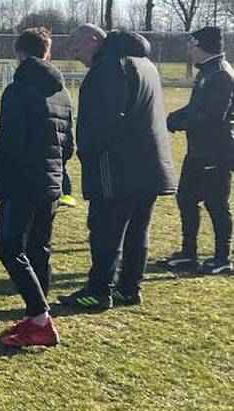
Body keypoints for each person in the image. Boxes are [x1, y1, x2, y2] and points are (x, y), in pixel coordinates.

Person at [60, 25, 177, 310]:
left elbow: (105, 120)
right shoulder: (144, 63)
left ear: (93, 40)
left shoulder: (110, 67)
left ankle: (99, 290)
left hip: (118, 165)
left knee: (106, 229)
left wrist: (87, 149)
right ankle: (129, 287)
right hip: (149, 165)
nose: (77, 57)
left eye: (77, 50)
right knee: (138, 228)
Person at [0, 27, 74, 348]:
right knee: (39, 248)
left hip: (22, 184)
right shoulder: (63, 93)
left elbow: (9, 142)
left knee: (10, 247)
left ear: (19, 54)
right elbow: (69, 147)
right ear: (48, 53)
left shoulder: (18, 90)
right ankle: (36, 315)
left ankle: (40, 318)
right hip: (51, 182)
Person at [165, 26, 234, 275]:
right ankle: (188, 253)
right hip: (198, 151)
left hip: (217, 152)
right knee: (186, 198)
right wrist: (174, 117)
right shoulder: (206, 72)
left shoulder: (221, 74)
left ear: (205, 46)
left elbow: (214, 116)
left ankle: (223, 257)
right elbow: (196, 107)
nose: (189, 49)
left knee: (216, 204)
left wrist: (181, 123)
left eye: (192, 45)